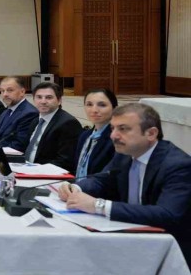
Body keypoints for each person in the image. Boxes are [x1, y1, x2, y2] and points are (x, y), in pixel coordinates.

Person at [58, 103, 191, 265]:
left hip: (171, 252)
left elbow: (166, 214)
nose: (113, 136)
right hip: (130, 236)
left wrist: (98, 205)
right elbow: (102, 180)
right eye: (113, 128)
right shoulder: (125, 154)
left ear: (151, 133)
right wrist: (76, 188)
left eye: (123, 129)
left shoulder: (178, 165)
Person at [23, 81, 83, 173]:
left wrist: (35, 170)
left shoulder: (68, 123)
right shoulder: (35, 121)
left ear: (59, 100)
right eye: (39, 97)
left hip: (49, 175)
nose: (43, 101)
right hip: (27, 169)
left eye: (49, 97)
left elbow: (64, 161)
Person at [74, 88, 118, 177]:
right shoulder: (85, 136)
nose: (94, 110)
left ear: (115, 109)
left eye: (102, 105)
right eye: (89, 104)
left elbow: (110, 176)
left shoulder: (116, 138)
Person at [0, 76, 39, 152]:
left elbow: (19, 145)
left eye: (10, 90)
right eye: (2, 91)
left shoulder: (29, 113)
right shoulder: (7, 110)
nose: (5, 94)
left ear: (22, 92)